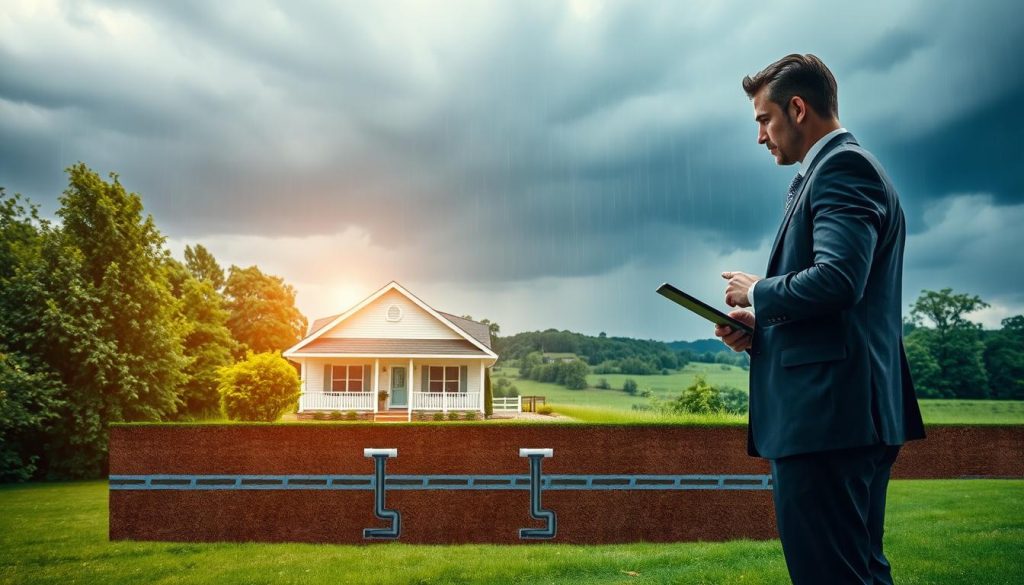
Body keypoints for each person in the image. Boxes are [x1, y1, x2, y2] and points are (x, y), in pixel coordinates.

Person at [715, 54, 926, 585]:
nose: (760, 136)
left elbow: (839, 279)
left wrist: (759, 293)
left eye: (764, 119)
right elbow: (844, 306)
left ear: (798, 108)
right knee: (857, 570)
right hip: (846, 415)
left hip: (828, 420)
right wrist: (760, 328)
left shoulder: (842, 169)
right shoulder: (839, 171)